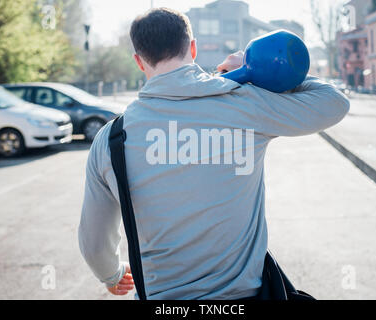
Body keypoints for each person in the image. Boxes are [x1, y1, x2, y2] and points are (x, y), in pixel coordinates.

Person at [78, 7, 349, 300]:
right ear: (192, 48)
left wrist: (112, 275)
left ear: (138, 61)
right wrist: (252, 70)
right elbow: (334, 102)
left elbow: (93, 243)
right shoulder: (244, 103)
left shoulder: (111, 140)